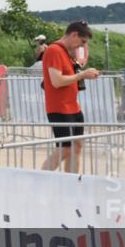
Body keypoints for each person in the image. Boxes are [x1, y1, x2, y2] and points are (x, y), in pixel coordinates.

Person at [41, 21, 100, 173]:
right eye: (82, 42)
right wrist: (82, 75)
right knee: (66, 148)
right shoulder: (54, 50)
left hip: (73, 107)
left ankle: (72, 182)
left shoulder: (66, 52)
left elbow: (69, 75)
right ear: (74, 34)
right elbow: (57, 81)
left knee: (77, 146)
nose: (81, 46)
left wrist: (79, 68)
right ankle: (39, 177)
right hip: (59, 108)